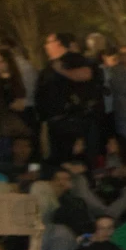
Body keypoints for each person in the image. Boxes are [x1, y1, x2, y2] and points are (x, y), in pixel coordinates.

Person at [35, 33, 97, 167]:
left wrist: (63, 72)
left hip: (72, 121)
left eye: (49, 42)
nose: (46, 46)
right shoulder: (48, 66)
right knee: (58, 162)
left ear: (58, 43)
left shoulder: (74, 59)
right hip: (53, 121)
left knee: (75, 159)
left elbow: (86, 74)